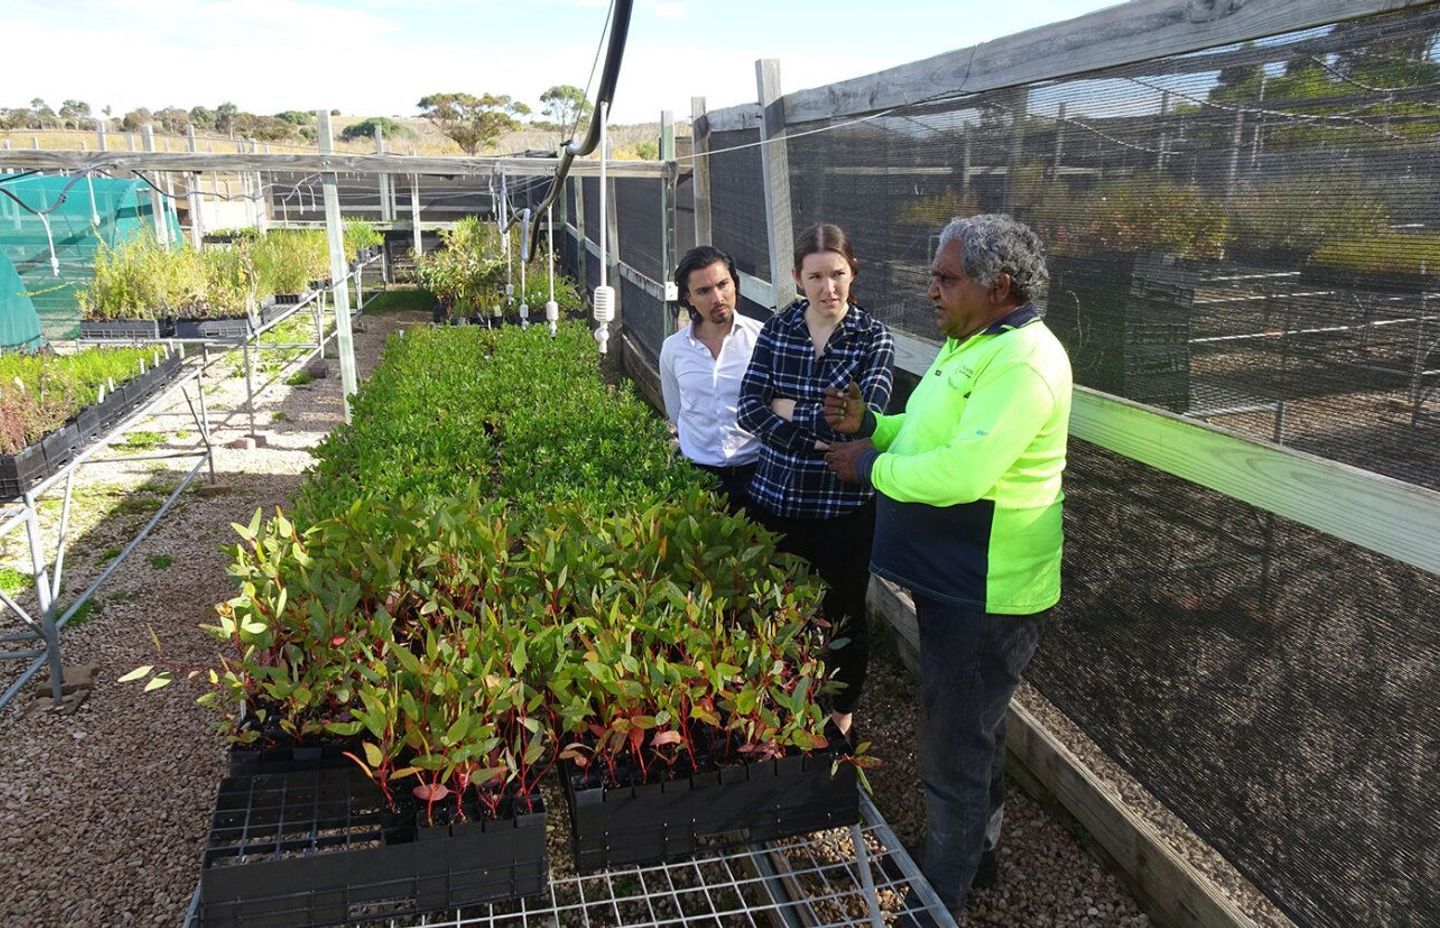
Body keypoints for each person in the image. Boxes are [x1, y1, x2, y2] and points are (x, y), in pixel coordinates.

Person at [822, 214, 1072, 915]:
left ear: (998, 286)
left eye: (945, 278)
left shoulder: (1023, 362)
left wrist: (869, 466)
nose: (931, 289)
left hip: (986, 591)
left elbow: (966, 470)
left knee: (954, 748)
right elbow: (931, 430)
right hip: (958, 581)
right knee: (973, 728)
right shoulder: (978, 342)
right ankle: (977, 851)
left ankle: (938, 898)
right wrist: (873, 427)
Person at [736, 222, 894, 738]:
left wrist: (787, 408)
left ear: (854, 274)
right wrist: (816, 436)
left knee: (843, 615)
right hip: (775, 502)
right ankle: (782, 712)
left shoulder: (874, 337)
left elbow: (859, 419)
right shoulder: (778, 329)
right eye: (816, 276)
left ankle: (838, 721)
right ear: (796, 278)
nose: (829, 288)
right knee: (778, 608)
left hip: (842, 508)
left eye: (838, 275)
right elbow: (748, 409)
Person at [659, 245, 764, 509]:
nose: (717, 297)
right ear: (688, 297)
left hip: (759, 475)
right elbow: (676, 410)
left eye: (723, 284)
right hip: (699, 479)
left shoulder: (762, 339)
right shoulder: (674, 349)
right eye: (703, 291)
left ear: (735, 284)